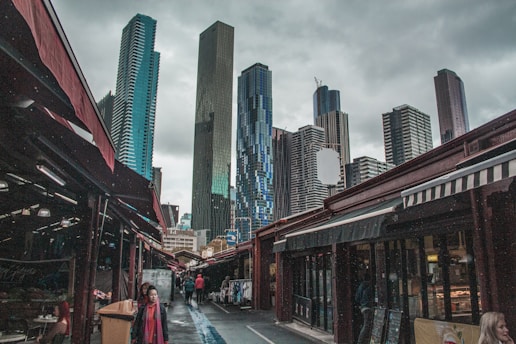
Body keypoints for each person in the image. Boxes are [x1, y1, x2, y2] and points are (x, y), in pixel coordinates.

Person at [354, 273, 373, 344]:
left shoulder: (361, 285)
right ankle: (361, 341)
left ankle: (364, 340)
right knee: (367, 325)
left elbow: (357, 298)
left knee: (366, 324)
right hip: (368, 307)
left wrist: (362, 303)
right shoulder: (369, 286)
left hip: (363, 307)